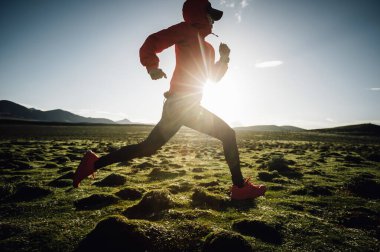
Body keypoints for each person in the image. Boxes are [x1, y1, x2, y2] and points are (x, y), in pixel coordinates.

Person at [73, 0, 266, 200]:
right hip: (180, 103)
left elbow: (212, 78)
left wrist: (223, 59)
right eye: (210, 16)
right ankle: (239, 188)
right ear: (199, 14)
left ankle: (93, 163)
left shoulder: (208, 49)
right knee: (228, 134)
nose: (213, 21)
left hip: (184, 105)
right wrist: (152, 67)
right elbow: (152, 42)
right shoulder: (185, 30)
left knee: (148, 148)